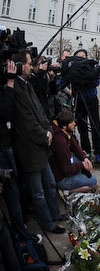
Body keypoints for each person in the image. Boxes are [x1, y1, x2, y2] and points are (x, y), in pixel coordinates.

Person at [11, 50, 64, 234]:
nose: (30, 66)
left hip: (41, 145)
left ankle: (55, 214)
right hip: (30, 148)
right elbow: (26, 121)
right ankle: (47, 223)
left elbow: (40, 112)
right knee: (38, 192)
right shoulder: (16, 88)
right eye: (28, 63)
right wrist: (44, 135)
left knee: (50, 184)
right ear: (19, 66)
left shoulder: (27, 84)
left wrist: (48, 129)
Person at [0, 59, 33, 242]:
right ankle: (21, 235)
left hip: (7, 144)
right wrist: (10, 82)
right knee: (12, 192)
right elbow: (5, 111)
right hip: (3, 149)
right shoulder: (8, 85)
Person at [50, 109, 97, 193]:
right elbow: (67, 170)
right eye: (71, 122)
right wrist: (82, 165)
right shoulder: (60, 142)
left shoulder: (64, 132)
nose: (74, 124)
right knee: (93, 182)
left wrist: (84, 158)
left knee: (80, 157)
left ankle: (79, 177)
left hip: (65, 168)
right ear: (64, 126)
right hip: (62, 178)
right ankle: (67, 191)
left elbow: (74, 146)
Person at [71, 49, 100, 163]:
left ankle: (98, 151)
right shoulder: (74, 70)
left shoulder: (91, 68)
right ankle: (86, 150)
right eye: (80, 57)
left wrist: (87, 79)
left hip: (91, 99)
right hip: (80, 99)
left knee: (95, 125)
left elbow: (96, 82)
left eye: (84, 57)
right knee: (82, 126)